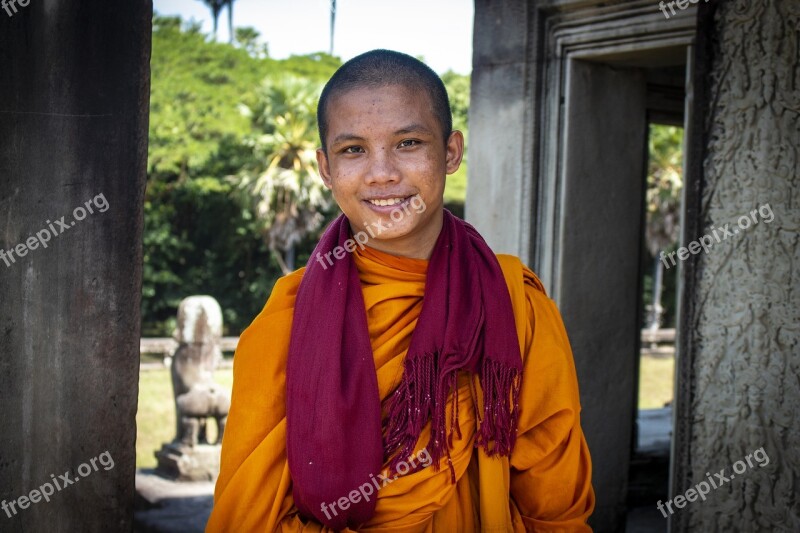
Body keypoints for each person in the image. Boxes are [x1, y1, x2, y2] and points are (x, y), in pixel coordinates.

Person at [206, 49, 594, 532]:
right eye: (353, 150)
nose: (382, 173)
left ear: (451, 152)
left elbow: (553, 504)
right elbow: (249, 516)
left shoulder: (514, 302)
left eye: (408, 142)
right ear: (326, 169)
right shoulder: (285, 318)